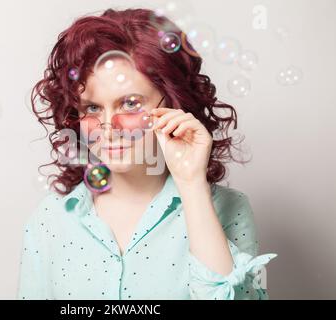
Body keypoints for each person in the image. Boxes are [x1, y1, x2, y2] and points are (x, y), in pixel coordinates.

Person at [18, 8, 277, 300]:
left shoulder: (229, 209)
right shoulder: (50, 220)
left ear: (174, 103)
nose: (108, 127)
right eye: (92, 108)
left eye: (129, 104)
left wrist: (192, 185)